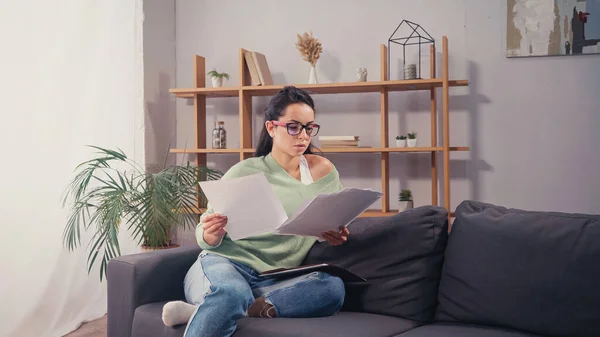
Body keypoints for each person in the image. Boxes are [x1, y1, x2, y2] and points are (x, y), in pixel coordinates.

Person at [161, 86, 350, 337]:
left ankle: (210, 309)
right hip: (225, 264)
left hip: (276, 278)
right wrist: (211, 234)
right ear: (272, 128)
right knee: (231, 292)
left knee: (331, 288)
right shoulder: (246, 171)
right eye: (293, 127)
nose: (303, 136)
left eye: (309, 127)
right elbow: (203, 232)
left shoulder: (324, 171)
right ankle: (226, 303)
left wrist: (335, 233)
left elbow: (331, 218)